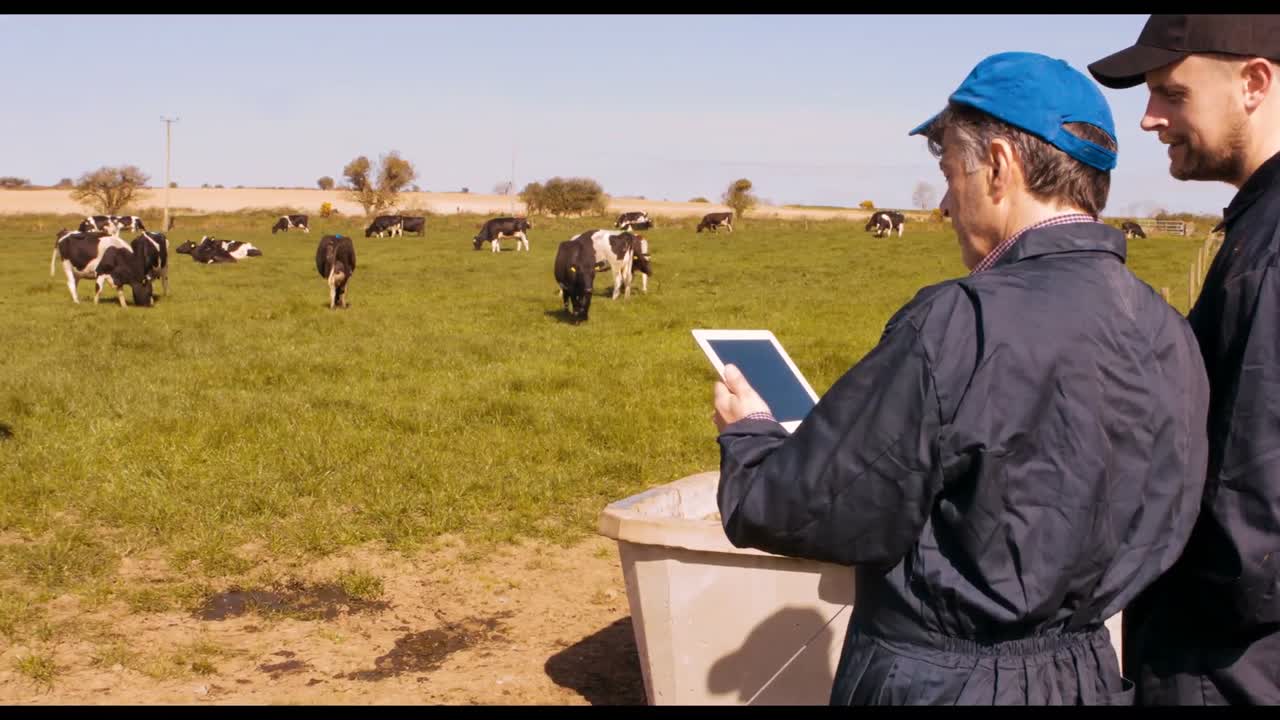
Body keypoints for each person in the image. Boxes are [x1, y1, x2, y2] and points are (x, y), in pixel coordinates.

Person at [710, 51, 1210, 705]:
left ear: (998, 165)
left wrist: (751, 436)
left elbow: (805, 510)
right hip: (1089, 673)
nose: (946, 204)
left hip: (942, 682)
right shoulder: (1167, 328)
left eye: (950, 173)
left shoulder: (958, 320)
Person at [1088, 14, 1280, 705]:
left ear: (1253, 82)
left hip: (1229, 662)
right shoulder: (1257, 226)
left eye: (1171, 94)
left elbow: (1257, 502)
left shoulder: (1270, 247)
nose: (1147, 119)